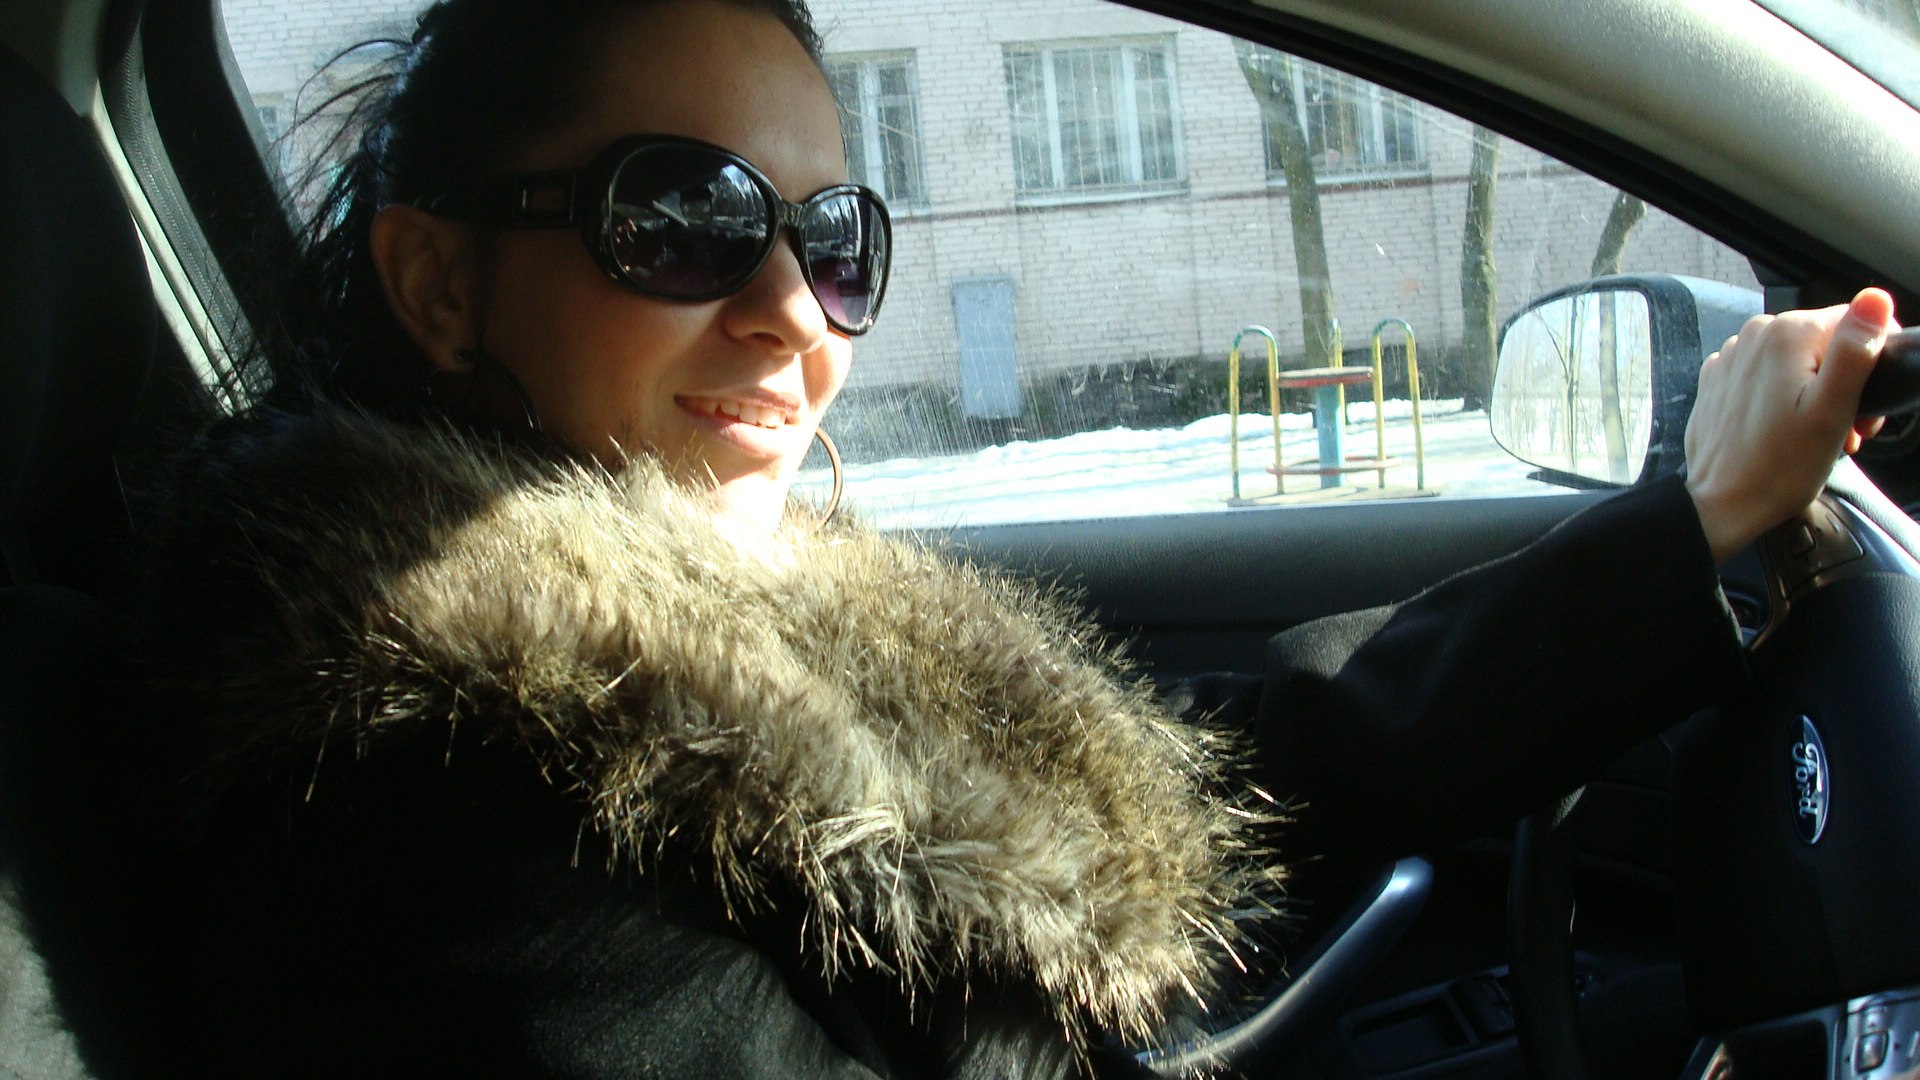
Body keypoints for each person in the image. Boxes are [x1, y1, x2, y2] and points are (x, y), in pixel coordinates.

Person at [86, 0, 1893, 1075]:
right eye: (685, 215)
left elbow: (1227, 787)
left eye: (832, 237)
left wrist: (1689, 528)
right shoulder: (435, 802)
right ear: (438, 281)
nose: (792, 313)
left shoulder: (715, 650)